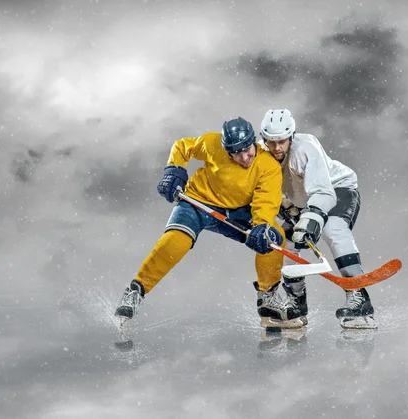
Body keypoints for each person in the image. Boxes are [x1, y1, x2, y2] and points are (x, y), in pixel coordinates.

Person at [115, 117, 304, 328]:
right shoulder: (212, 143)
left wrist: (262, 224)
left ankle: (267, 298)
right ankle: (136, 290)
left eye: (247, 150)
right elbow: (182, 147)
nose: (244, 157)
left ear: (254, 142)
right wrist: (173, 170)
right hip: (197, 203)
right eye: (236, 153)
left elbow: (266, 200)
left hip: (238, 213)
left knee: (272, 240)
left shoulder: (267, 165)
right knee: (174, 242)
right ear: (226, 149)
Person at [260, 108, 377, 329]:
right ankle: (296, 303)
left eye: (281, 141)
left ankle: (358, 296)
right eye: (271, 142)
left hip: (336, 189)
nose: (276, 148)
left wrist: (311, 220)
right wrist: (287, 211)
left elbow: (323, 193)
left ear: (291, 137)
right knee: (287, 241)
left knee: (333, 228)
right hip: (303, 202)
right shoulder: (259, 154)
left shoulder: (305, 149)